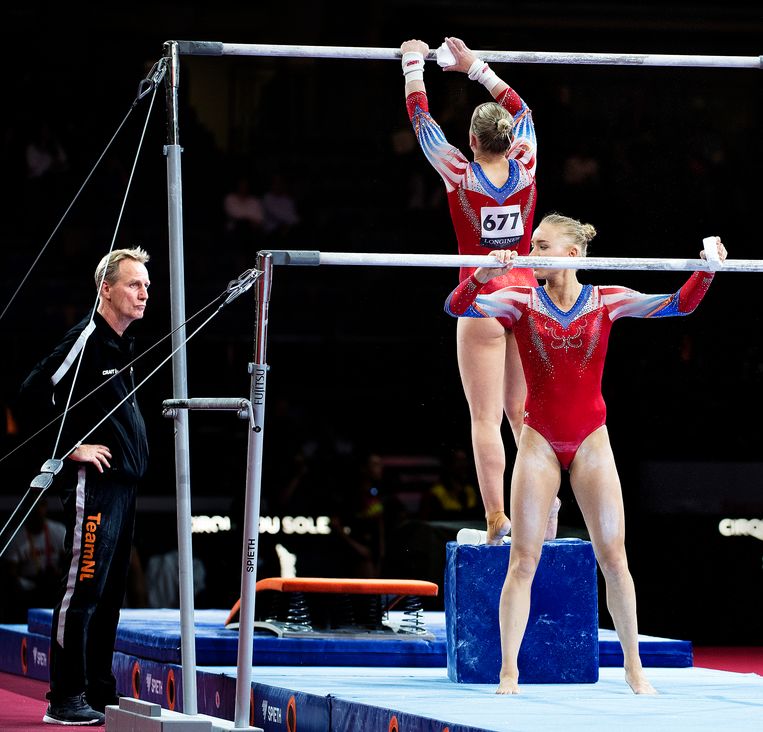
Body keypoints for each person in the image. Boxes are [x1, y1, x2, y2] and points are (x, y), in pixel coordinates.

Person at [445, 212, 725, 694]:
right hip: (538, 443)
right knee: (523, 560)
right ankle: (508, 671)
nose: (531, 252)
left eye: (542, 245)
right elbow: (457, 308)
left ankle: (635, 668)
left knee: (614, 558)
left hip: (592, 439)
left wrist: (709, 269)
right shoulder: (518, 300)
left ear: (572, 255)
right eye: (532, 243)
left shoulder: (607, 299)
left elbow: (678, 305)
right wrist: (482, 275)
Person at [400, 37, 558, 544]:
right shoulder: (527, 163)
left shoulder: (459, 172)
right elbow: (524, 109)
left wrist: (412, 63)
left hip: (482, 295)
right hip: (525, 297)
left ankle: (498, 520)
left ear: (471, 140)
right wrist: (475, 68)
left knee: (486, 418)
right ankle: (543, 499)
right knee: (522, 414)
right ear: (512, 142)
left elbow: (422, 123)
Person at [18, 247, 150, 725]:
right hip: (90, 487)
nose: (144, 293)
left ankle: (97, 687)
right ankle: (65, 697)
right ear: (106, 289)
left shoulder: (122, 343)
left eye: (147, 286)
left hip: (123, 488)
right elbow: (30, 395)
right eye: (135, 284)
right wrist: (71, 448)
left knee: (111, 595)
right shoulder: (87, 338)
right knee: (82, 592)